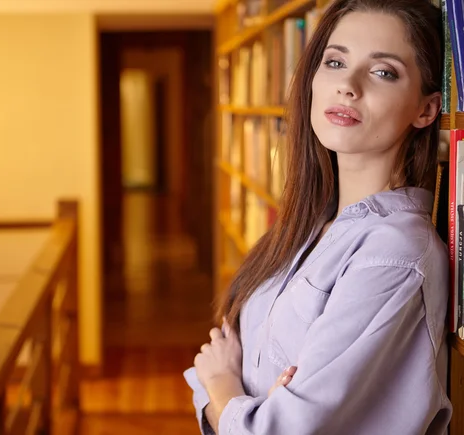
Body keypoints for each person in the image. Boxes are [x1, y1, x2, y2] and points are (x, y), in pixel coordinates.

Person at [184, 0, 451, 433]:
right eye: (335, 61)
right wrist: (235, 396)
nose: (348, 85)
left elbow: (253, 409)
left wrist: (223, 387)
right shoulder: (310, 226)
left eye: (383, 72)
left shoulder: (394, 254)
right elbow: (215, 361)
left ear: (425, 109)